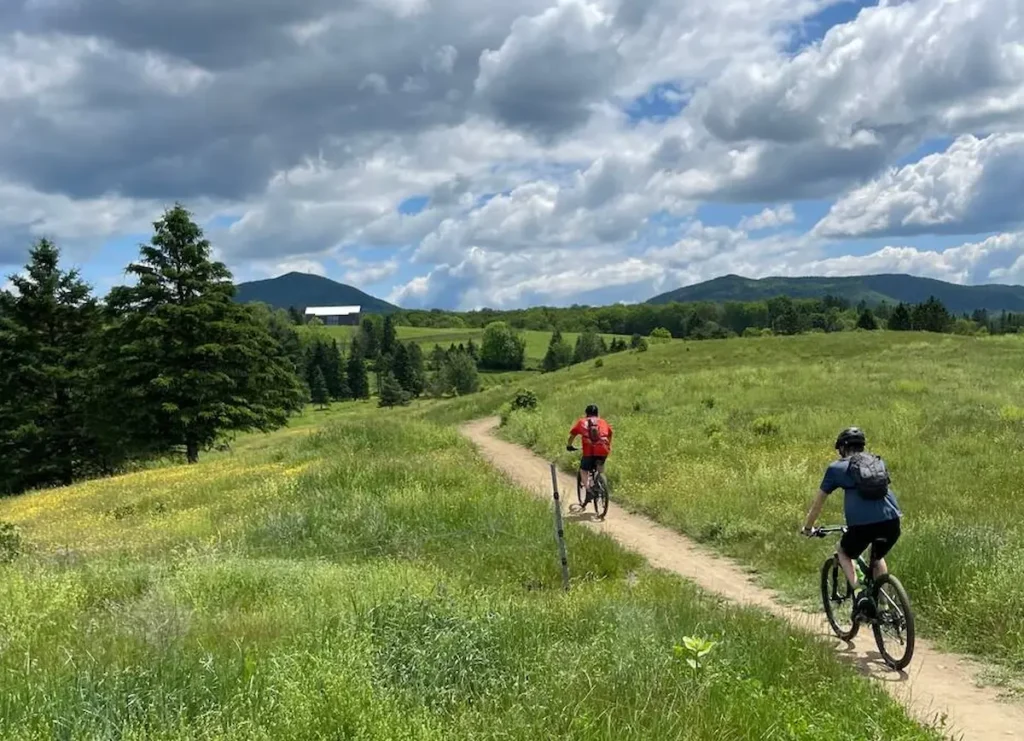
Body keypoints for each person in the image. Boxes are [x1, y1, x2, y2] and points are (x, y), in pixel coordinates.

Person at [800, 426, 903, 617]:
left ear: (843, 448)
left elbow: (818, 502)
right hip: (892, 521)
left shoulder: (836, 468)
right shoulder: (877, 463)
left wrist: (808, 528)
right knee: (877, 557)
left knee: (843, 552)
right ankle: (885, 608)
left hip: (863, 526)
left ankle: (859, 594)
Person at [566, 404, 613, 506]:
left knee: (584, 470)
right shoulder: (603, 422)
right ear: (597, 413)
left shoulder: (582, 422)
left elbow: (572, 435)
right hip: (603, 450)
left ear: (586, 413)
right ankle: (600, 482)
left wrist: (569, 445)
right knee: (599, 466)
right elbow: (610, 434)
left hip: (589, 452)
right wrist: (609, 446)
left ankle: (589, 490)